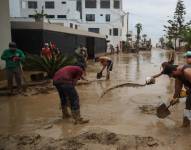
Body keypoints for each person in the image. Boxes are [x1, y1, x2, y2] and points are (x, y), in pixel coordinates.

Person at [147, 62, 191, 127]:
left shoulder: (187, 72)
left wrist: (187, 92)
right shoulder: (178, 75)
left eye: (170, 74)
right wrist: (174, 98)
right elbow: (177, 89)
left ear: (173, 70)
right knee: (188, 104)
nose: (170, 76)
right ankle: (185, 125)